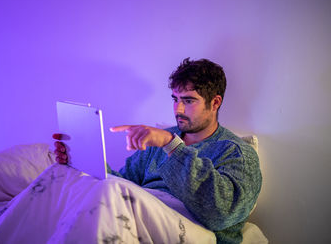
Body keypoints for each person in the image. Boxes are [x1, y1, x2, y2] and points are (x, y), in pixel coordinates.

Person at [53, 58, 262, 244]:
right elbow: (121, 184)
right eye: (175, 99)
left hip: (195, 229)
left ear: (215, 102)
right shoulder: (160, 139)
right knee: (59, 175)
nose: (178, 109)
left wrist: (171, 145)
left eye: (188, 100)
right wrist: (84, 161)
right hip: (143, 213)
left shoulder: (235, 152)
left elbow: (221, 214)